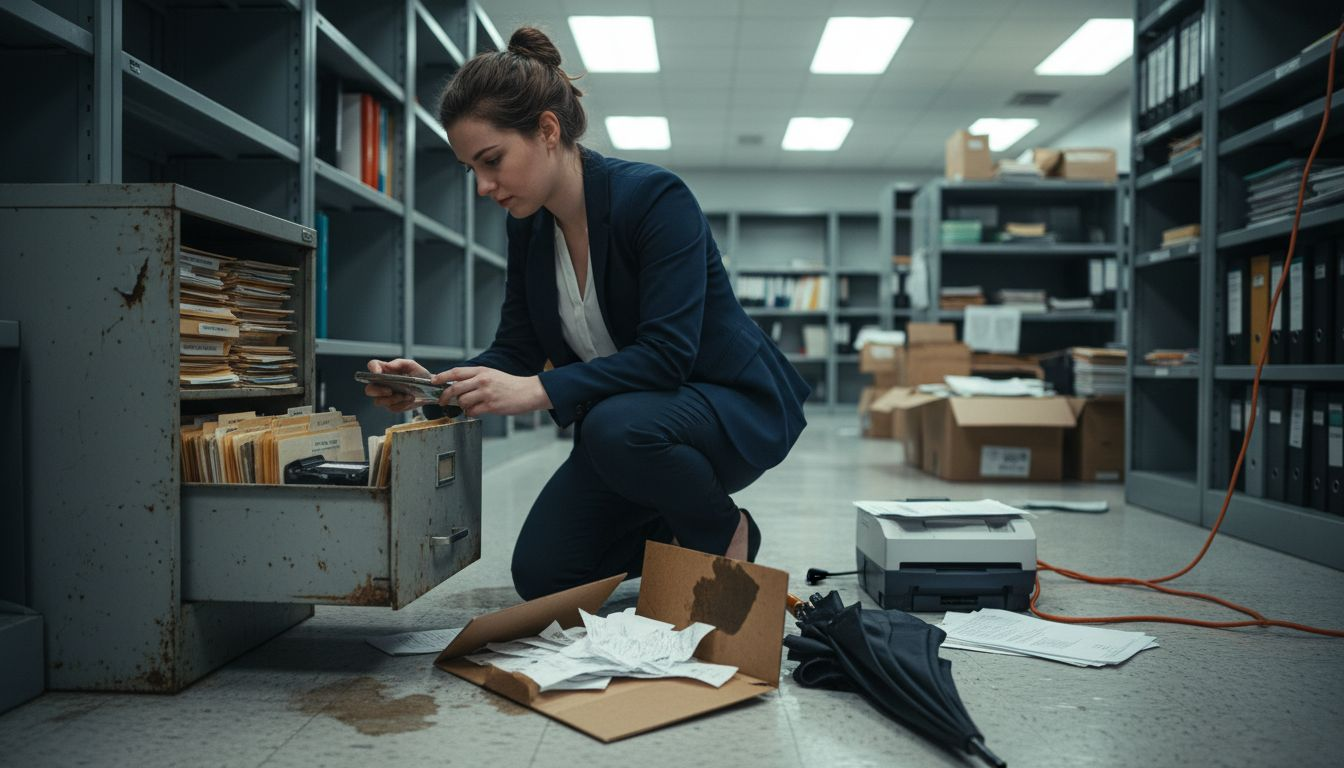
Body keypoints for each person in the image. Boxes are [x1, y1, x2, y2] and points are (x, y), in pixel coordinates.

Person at [363, 27, 810, 600]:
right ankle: (673, 524)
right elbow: (516, 350)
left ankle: (724, 530)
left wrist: (537, 389)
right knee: (546, 576)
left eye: (492, 160)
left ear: (547, 130)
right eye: (470, 168)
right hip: (628, 430)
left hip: (721, 408)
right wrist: (433, 386)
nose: (482, 186)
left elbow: (667, 357)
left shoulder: (654, 199)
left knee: (613, 425)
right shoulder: (527, 225)